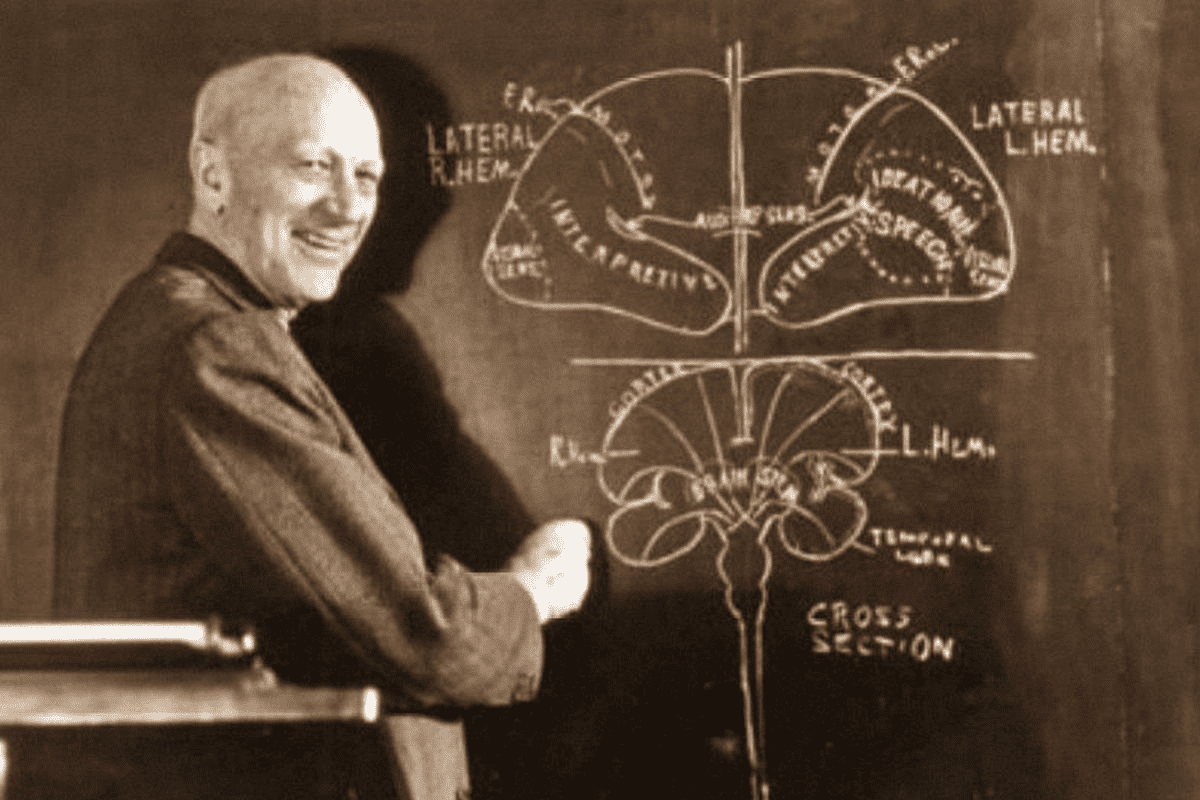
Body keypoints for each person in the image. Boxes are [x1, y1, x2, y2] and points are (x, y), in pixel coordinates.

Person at [52, 53, 590, 800]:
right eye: (313, 166)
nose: (347, 208)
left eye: (366, 177)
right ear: (213, 176)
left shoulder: (180, 318)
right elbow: (422, 638)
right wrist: (537, 589)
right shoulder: (215, 347)